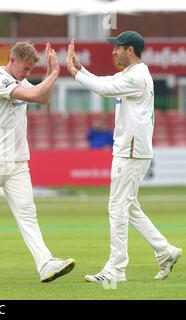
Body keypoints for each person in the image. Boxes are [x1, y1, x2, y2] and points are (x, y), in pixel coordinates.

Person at [0, 42, 76, 285]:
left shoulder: (21, 81)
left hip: (18, 160)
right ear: (13, 60)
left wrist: (48, 76)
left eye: (32, 70)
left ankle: (45, 264)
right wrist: (53, 74)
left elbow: (43, 99)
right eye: (26, 68)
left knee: (27, 214)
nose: (27, 74)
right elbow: (33, 95)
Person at [67, 31, 182, 282]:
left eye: (117, 48)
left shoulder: (137, 77)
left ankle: (116, 270)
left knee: (117, 207)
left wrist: (74, 73)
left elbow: (104, 88)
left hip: (131, 151)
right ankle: (164, 251)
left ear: (129, 49)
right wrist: (82, 68)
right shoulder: (131, 74)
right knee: (128, 206)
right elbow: (105, 81)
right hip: (130, 149)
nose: (113, 51)